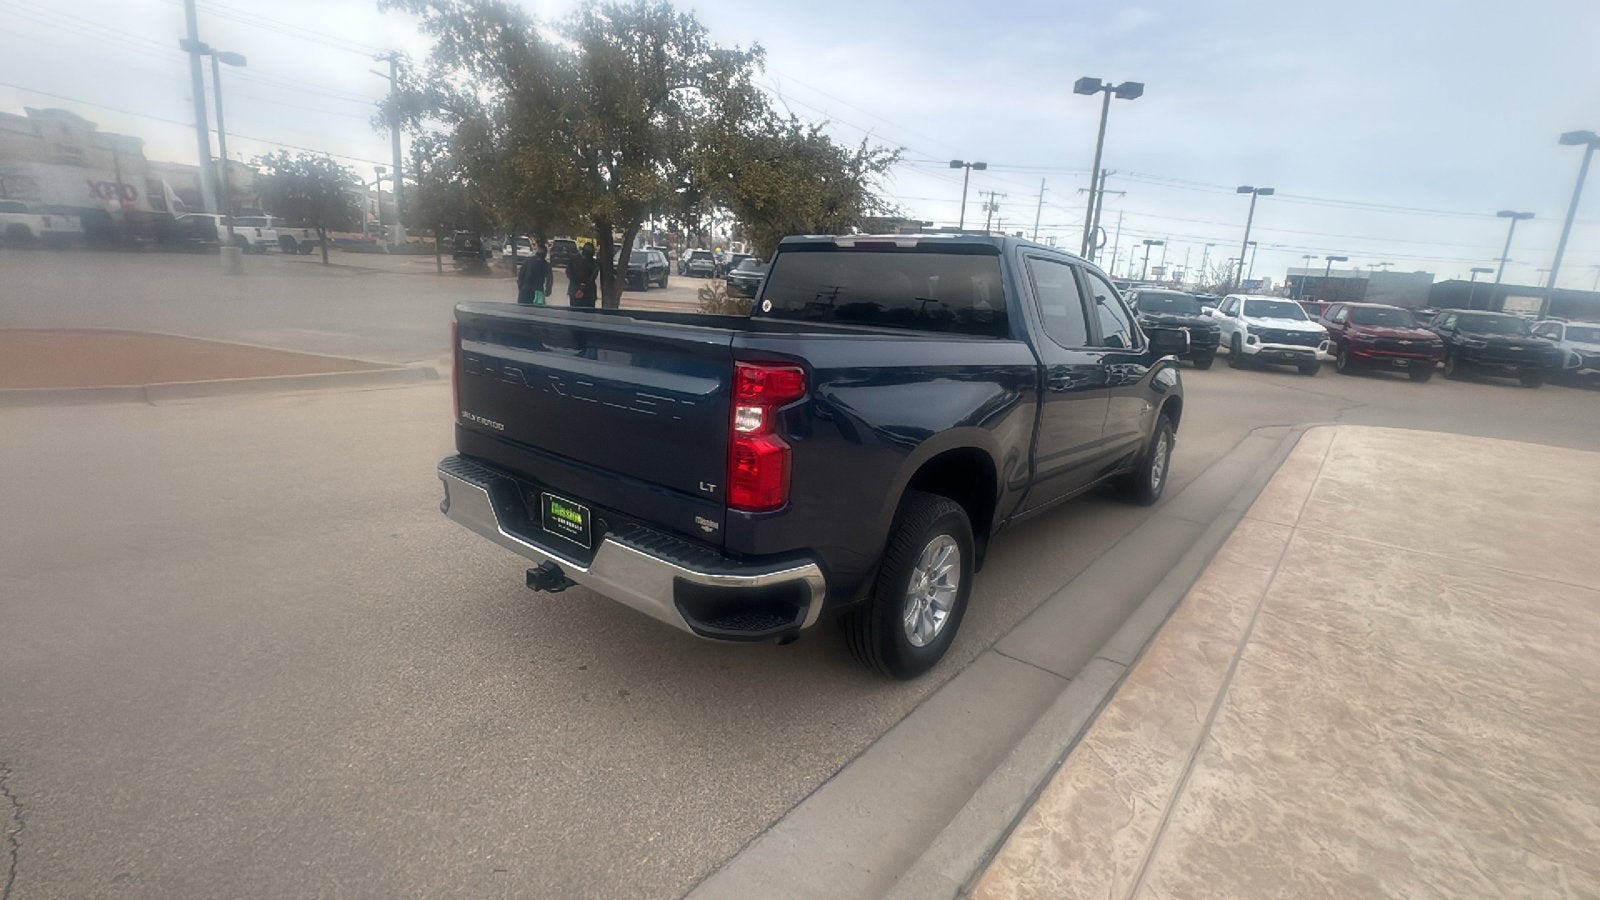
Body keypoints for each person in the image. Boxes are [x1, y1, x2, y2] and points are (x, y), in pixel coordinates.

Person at [567, 243, 599, 309]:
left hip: (574, 291)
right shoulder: (594, 263)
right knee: (588, 316)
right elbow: (593, 277)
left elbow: (568, 273)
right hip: (589, 293)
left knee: (574, 314)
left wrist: (578, 288)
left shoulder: (573, 260)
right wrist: (583, 288)